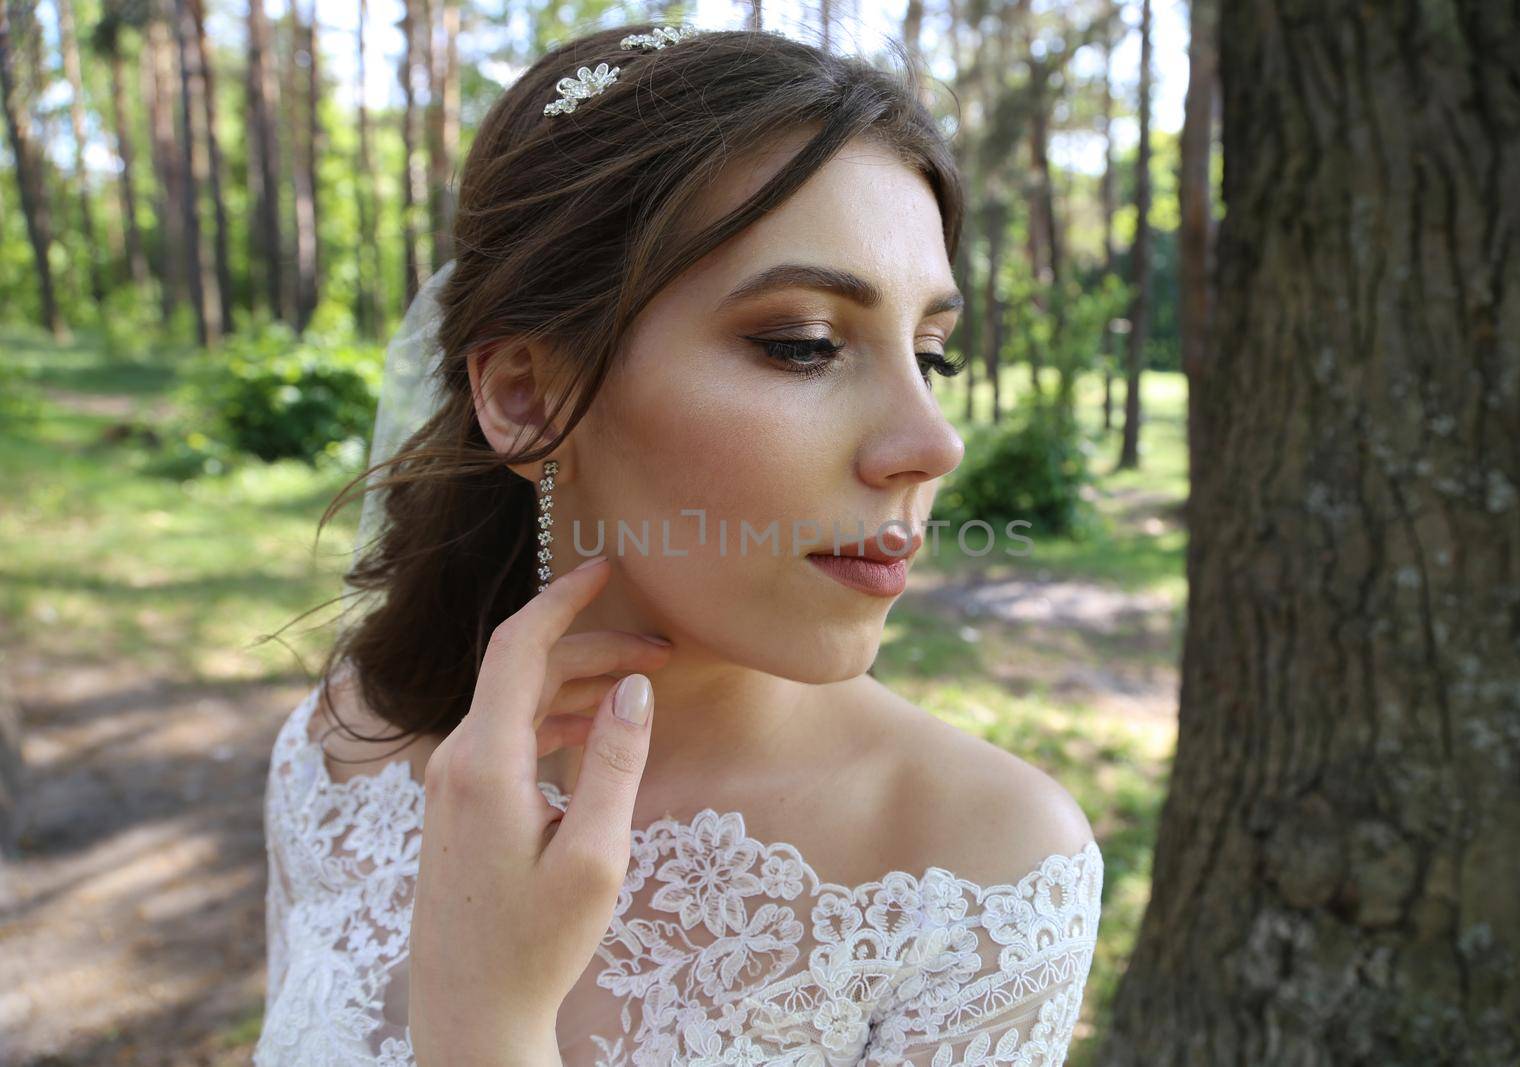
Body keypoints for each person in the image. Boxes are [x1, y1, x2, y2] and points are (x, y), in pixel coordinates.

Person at [252, 21, 1103, 1067]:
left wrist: (488, 1030)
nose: (932, 443)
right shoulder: (347, 747)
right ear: (524, 394)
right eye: (804, 344)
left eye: (932, 352)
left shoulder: (982, 871)